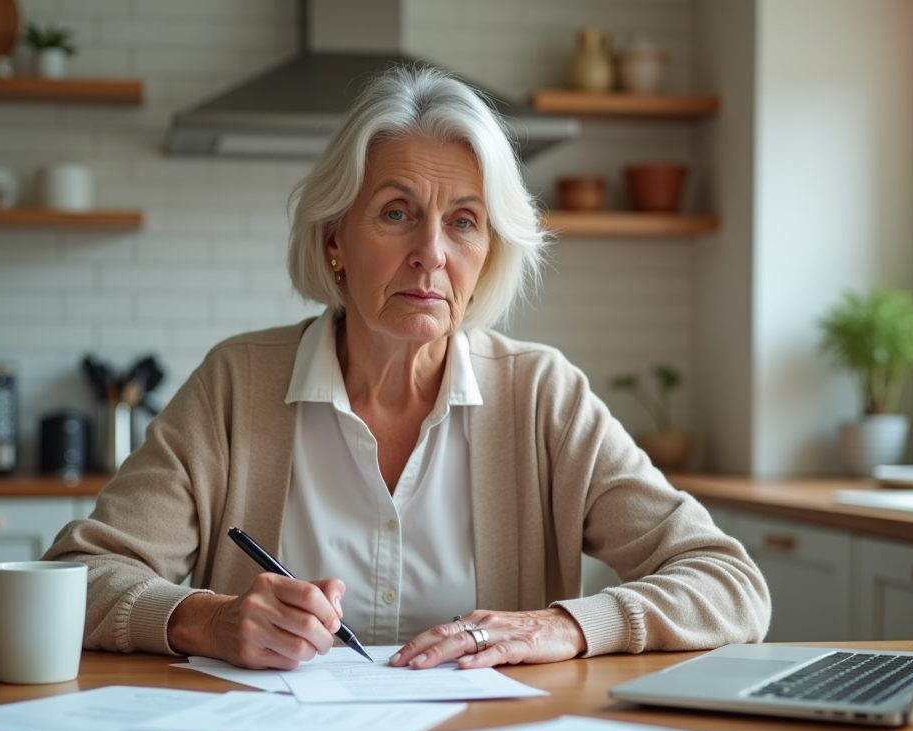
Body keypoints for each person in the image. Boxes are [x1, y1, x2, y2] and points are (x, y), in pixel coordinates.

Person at [44, 65, 770, 672]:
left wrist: (566, 626)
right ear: (335, 239)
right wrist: (207, 620)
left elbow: (732, 585)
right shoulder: (236, 384)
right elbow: (74, 581)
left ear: (489, 252)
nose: (432, 253)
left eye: (463, 221)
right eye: (396, 213)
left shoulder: (541, 394)